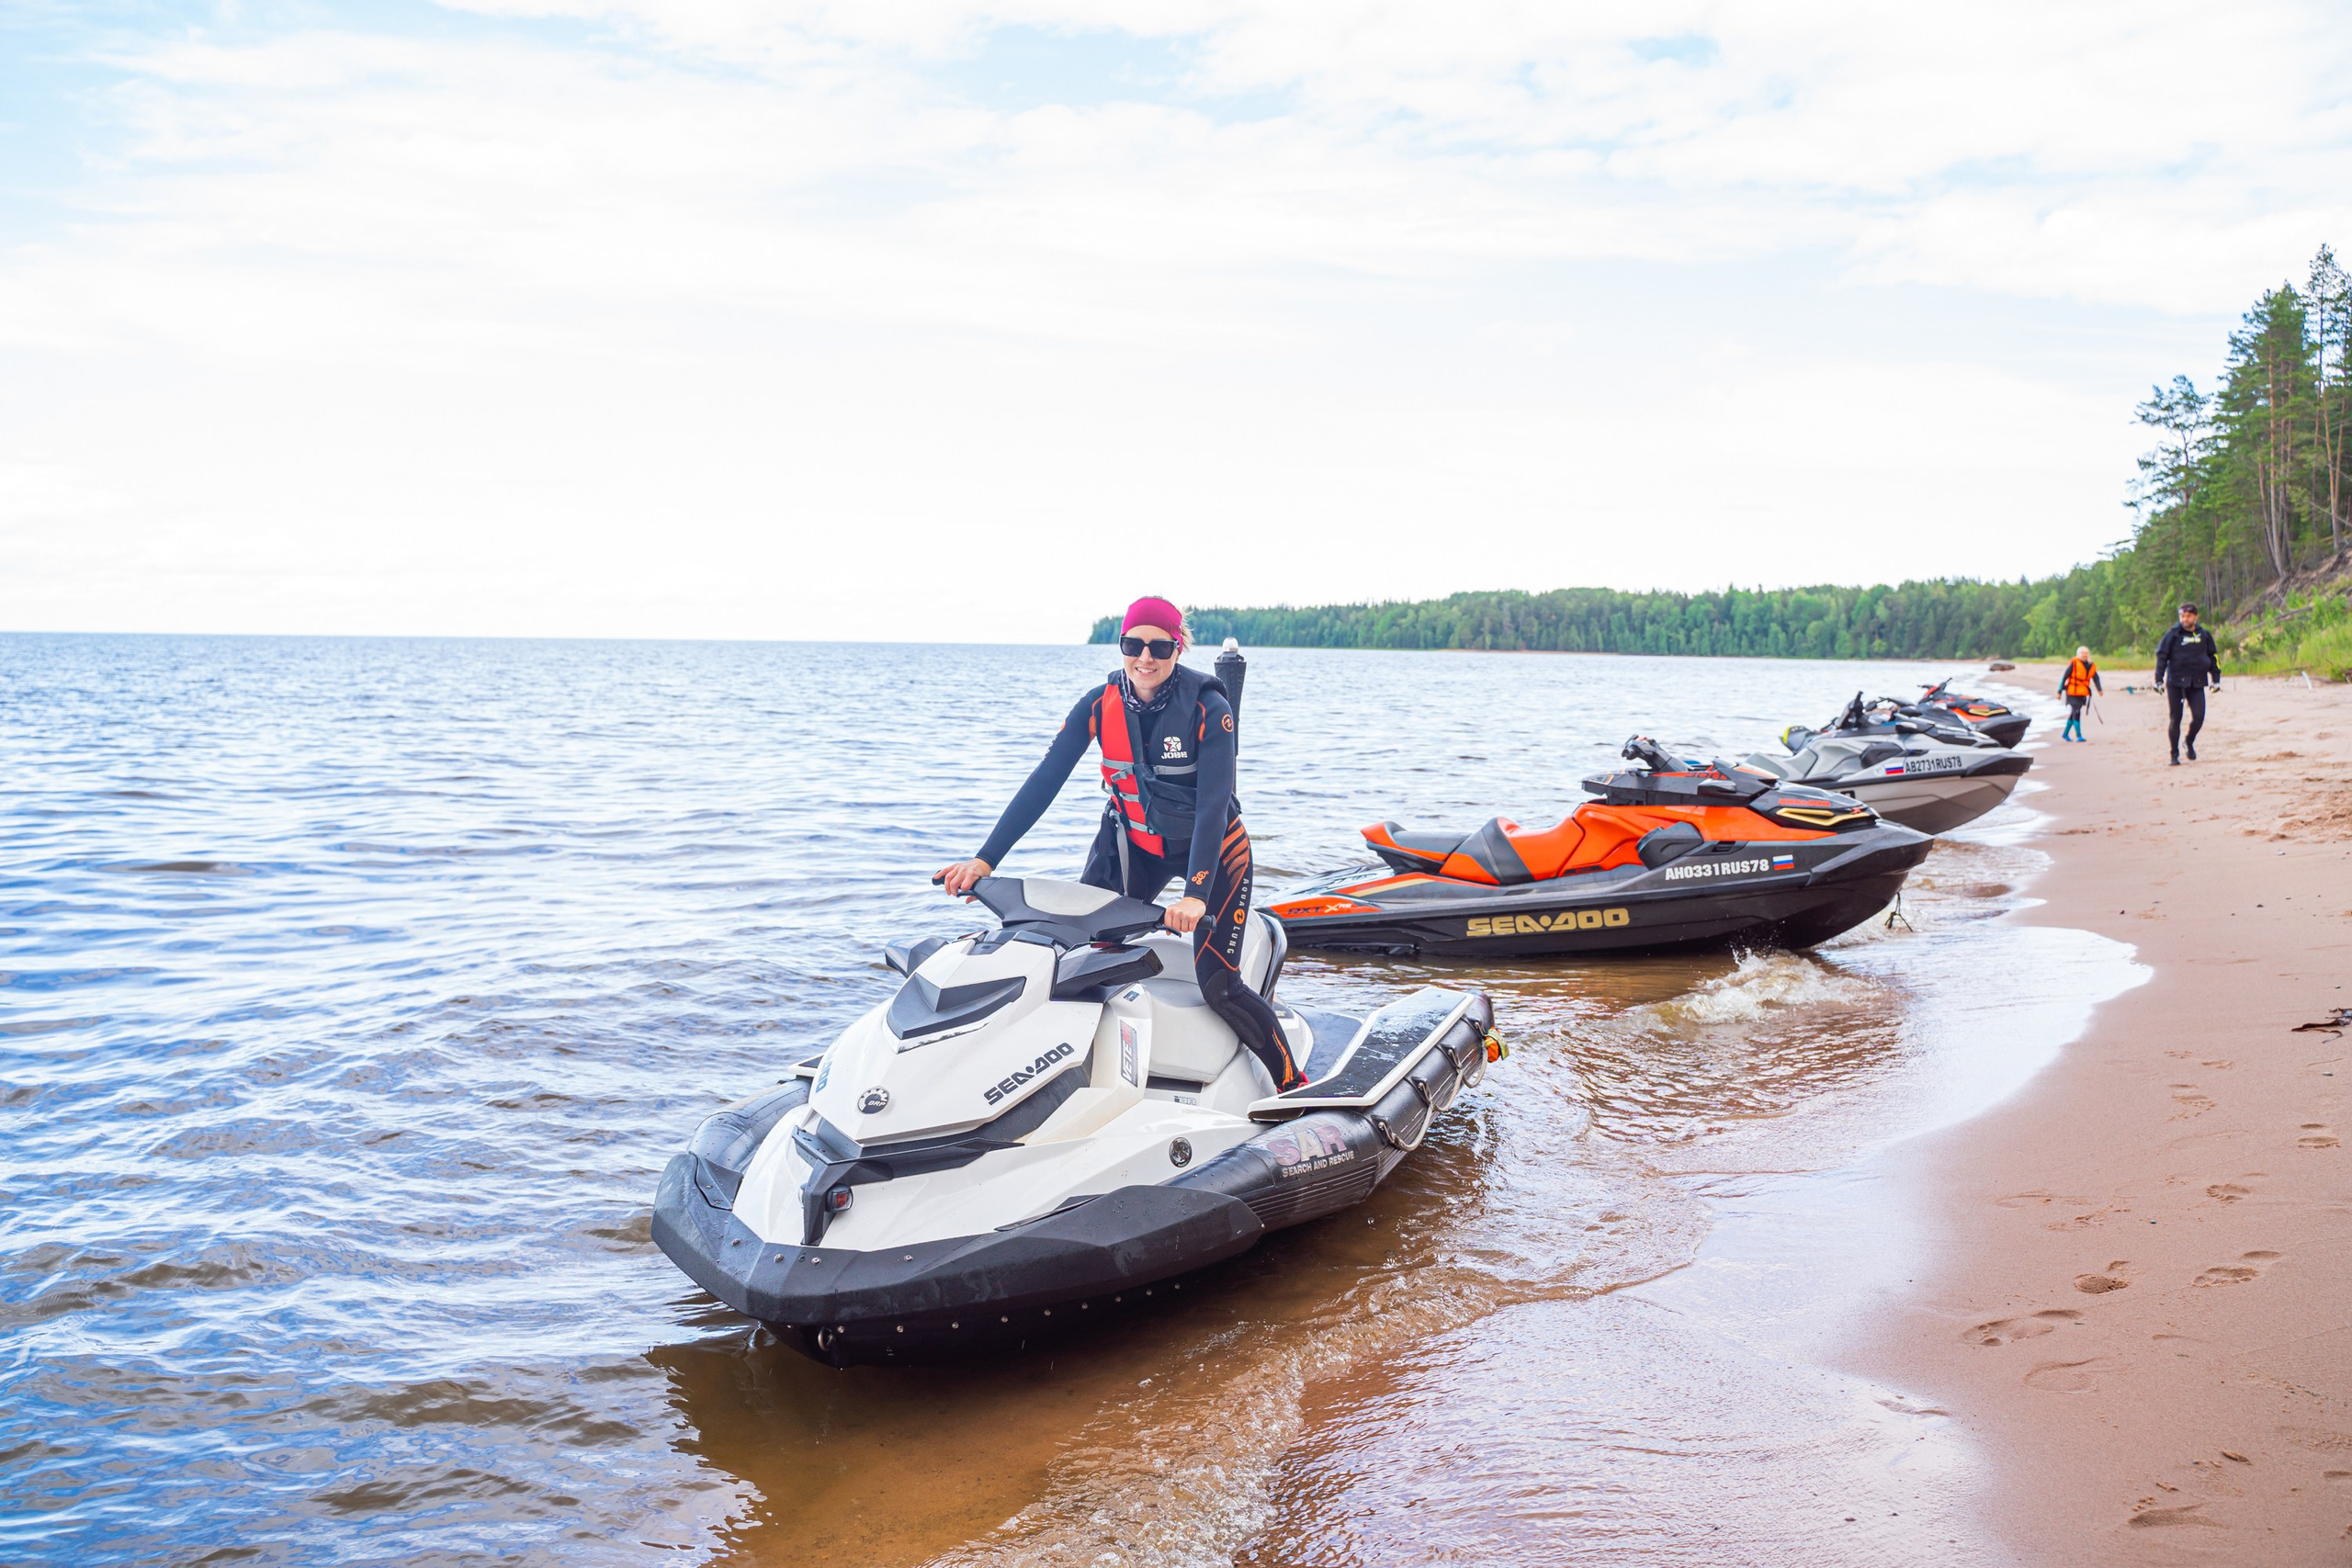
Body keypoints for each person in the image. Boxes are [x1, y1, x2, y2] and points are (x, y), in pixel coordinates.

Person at [934, 596, 1304, 1090]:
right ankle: (1065, 1074)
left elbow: (1214, 806)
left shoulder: (1208, 708)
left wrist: (1194, 894)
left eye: (1160, 646)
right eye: (1134, 644)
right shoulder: (1097, 704)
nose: (1145, 658)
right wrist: (984, 860)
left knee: (1219, 985)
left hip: (1214, 854)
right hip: (1133, 848)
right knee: (1079, 962)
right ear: (1122, 646)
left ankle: (1291, 1081)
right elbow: (1044, 781)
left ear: (1178, 648)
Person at [2153, 603, 2222, 764]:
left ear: (2195, 617)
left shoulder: (2204, 634)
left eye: (2188, 616)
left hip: (2197, 682)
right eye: (2182, 616)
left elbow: (2213, 657)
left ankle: (2189, 741)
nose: (2185, 619)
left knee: (2199, 717)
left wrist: (2216, 679)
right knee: (2176, 718)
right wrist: (2158, 679)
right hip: (2175, 682)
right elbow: (2162, 656)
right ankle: (2174, 754)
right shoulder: (2173, 634)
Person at [2057, 646, 2102, 741]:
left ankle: (2065, 734)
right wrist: (2059, 691)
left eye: (2086, 653)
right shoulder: (2074, 664)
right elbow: (2064, 677)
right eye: (2082, 653)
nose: (2084, 654)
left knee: (2074, 712)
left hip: (2082, 693)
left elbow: (2096, 678)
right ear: (2078, 654)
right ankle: (2079, 736)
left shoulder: (2090, 666)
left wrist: (2099, 690)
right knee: (2076, 712)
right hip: (2072, 692)